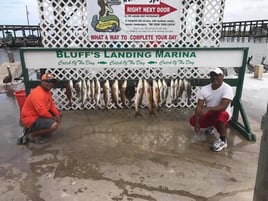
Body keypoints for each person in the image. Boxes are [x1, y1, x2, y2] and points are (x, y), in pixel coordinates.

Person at [189, 67, 234, 152]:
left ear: (222, 76)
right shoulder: (204, 89)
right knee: (192, 120)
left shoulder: (228, 88)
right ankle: (212, 126)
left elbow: (223, 107)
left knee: (222, 115)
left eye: (217, 75)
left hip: (223, 113)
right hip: (210, 113)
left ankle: (223, 140)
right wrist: (197, 123)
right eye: (212, 75)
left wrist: (208, 109)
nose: (215, 77)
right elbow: (199, 106)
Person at [21, 73, 62, 144]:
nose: (50, 84)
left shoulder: (47, 91)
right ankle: (32, 135)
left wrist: (57, 114)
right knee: (53, 125)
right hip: (30, 118)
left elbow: (51, 104)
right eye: (48, 81)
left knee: (59, 113)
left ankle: (43, 129)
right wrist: (53, 118)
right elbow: (42, 112)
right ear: (42, 81)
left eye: (52, 82)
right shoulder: (38, 94)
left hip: (38, 115)